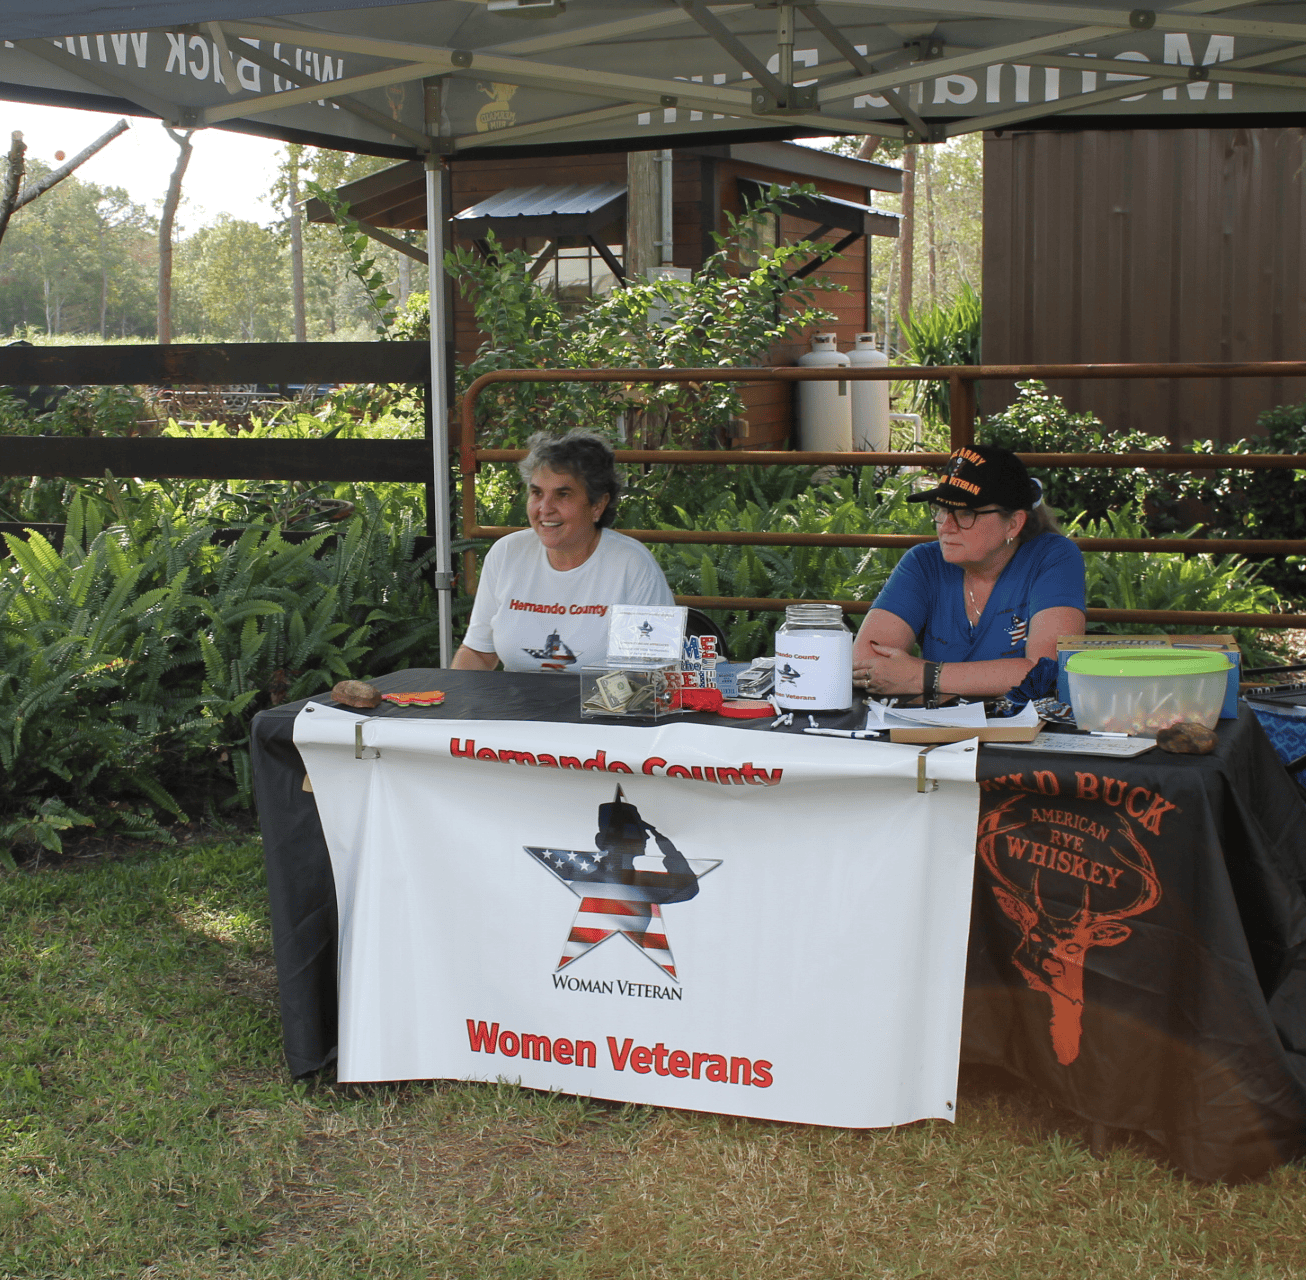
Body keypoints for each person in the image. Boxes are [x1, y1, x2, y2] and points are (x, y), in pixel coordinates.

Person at [852, 443, 1086, 700]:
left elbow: (1045, 672)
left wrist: (922, 676)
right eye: (941, 509)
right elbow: (865, 663)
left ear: (1014, 524)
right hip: (935, 732)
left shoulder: (1052, 557)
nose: (946, 526)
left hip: (1020, 736)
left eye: (966, 513)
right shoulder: (923, 562)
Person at [453, 429, 674, 673]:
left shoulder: (633, 565)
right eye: (536, 493)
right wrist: (453, 706)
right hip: (514, 708)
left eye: (563, 494)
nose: (544, 509)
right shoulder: (506, 553)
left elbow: (655, 675)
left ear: (597, 505)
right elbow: (478, 653)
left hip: (604, 710)